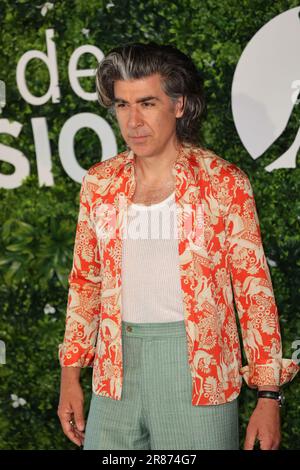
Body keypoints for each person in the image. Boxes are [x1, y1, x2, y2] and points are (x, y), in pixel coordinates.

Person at [57, 42, 299, 450]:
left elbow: (254, 293)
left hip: (199, 375)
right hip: (113, 371)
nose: (133, 121)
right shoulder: (99, 183)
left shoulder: (224, 182)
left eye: (147, 103)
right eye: (122, 105)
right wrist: (70, 376)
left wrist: (269, 396)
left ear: (180, 105)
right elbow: (85, 283)